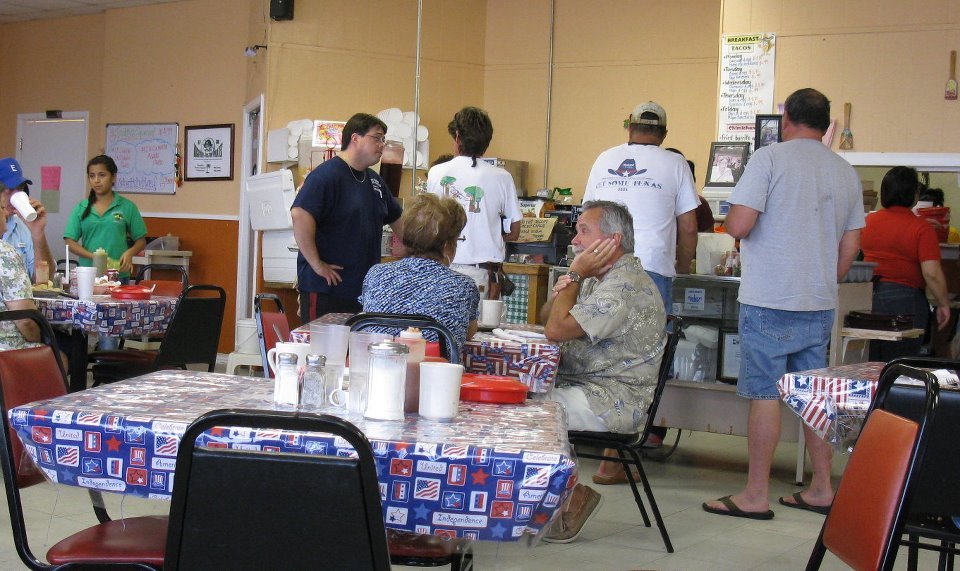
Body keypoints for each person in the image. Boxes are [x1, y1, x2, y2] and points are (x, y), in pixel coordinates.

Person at [703, 88, 864, 520]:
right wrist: (820, 277)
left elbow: (739, 223)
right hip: (818, 302)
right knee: (814, 396)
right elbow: (850, 248)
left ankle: (755, 494)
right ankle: (821, 488)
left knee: (765, 394)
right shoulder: (844, 171)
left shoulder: (768, 159)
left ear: (786, 118)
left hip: (770, 298)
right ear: (827, 123)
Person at [539, 200, 666, 543]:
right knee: (527, 397)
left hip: (612, 400)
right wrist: (572, 280)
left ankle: (568, 498)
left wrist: (576, 274)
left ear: (614, 239)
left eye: (584, 231)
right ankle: (556, 498)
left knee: (532, 411)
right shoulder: (603, 278)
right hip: (590, 386)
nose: (575, 240)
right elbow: (549, 313)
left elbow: (555, 330)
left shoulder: (622, 285)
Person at [582, 101, 698, 310]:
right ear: (664, 134)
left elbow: (586, 218)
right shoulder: (676, 163)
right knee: (650, 340)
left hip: (603, 265)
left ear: (630, 127)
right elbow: (689, 227)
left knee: (600, 339)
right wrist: (682, 267)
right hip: (652, 268)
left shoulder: (604, 159)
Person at [292, 113, 403, 323]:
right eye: (377, 138)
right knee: (326, 353)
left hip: (363, 291)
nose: (382, 145)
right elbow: (299, 214)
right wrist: (316, 264)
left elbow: (399, 221)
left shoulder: (375, 181)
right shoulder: (326, 176)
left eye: (383, 140)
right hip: (328, 290)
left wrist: (420, 255)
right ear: (355, 138)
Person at [359, 193, 479, 350]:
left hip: (379, 367)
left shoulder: (376, 274)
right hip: (435, 371)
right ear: (446, 246)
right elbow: (468, 333)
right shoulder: (464, 286)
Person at [427, 106, 523, 300]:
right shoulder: (502, 177)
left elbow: (429, 223)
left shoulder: (436, 173)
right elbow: (514, 232)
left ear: (457, 136)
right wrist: (486, 232)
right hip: (482, 274)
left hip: (442, 269)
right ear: (487, 141)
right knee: (482, 330)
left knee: (444, 328)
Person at [861, 166, 951, 361]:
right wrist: (943, 304)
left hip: (868, 298)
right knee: (899, 366)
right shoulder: (921, 228)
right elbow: (932, 273)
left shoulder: (868, 222)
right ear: (913, 194)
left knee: (871, 363)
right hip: (905, 301)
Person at [64, 155, 147, 281]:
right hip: (88, 274)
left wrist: (130, 253)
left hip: (118, 274)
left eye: (102, 175)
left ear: (113, 177)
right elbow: (69, 242)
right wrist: (93, 257)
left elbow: (141, 240)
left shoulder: (127, 207)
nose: (96, 180)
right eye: (92, 176)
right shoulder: (81, 208)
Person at [0, 157, 56, 282]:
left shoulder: (22, 226)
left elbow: (45, 280)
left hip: (20, 300)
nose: (15, 195)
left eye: (20, 188)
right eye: (9, 189)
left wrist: (38, 234)